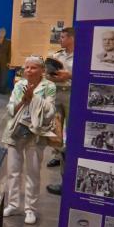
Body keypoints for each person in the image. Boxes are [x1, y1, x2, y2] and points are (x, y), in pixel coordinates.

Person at [1, 56, 56, 225]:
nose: (29, 71)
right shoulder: (19, 85)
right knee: (13, 171)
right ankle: (12, 204)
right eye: (26, 68)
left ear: (42, 70)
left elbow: (50, 111)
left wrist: (34, 98)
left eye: (33, 68)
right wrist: (23, 100)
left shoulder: (49, 87)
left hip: (36, 134)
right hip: (16, 132)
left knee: (33, 173)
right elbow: (10, 109)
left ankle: (30, 209)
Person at [45, 27, 74, 177]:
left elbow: (85, 76)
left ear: (71, 38)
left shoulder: (81, 56)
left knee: (69, 127)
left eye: (63, 37)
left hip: (71, 94)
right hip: (56, 92)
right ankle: (57, 155)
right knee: (55, 126)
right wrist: (52, 76)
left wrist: (68, 75)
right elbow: (48, 75)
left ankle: (68, 154)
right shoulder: (57, 56)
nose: (60, 40)